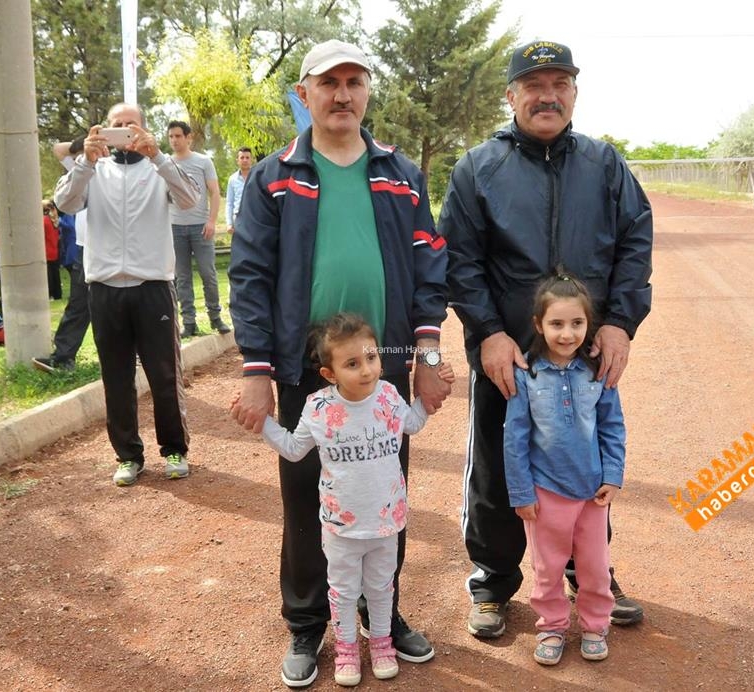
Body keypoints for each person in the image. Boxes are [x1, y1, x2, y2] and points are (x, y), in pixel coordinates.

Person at [228, 39, 450, 689]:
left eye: (355, 81)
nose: (343, 94)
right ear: (305, 94)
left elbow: (430, 267)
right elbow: (250, 276)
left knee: (384, 494)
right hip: (305, 368)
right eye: (329, 83)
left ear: (368, 91)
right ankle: (306, 624)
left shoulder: (400, 175)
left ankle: (380, 615)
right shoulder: (275, 177)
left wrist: (429, 356)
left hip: (384, 367)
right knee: (306, 498)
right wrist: (256, 369)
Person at [438, 39, 653, 638]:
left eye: (560, 84)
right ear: (511, 96)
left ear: (575, 94)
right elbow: (460, 258)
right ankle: (493, 579)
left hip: (583, 358)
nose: (547, 95)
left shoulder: (605, 164)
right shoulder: (478, 168)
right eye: (534, 85)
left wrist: (618, 323)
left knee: (584, 461)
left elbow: (636, 241)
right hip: (509, 356)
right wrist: (487, 333)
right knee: (498, 466)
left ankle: (591, 578)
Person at [261, 313, 455, 686]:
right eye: (352, 363)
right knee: (344, 590)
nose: (366, 370)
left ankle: (381, 642)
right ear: (329, 374)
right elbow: (292, 449)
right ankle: (347, 648)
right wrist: (262, 423)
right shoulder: (319, 408)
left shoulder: (387, 395)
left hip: (386, 522)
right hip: (341, 527)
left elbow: (411, 424)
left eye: (371, 358)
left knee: (383, 588)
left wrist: (432, 397)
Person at [54, 102, 198, 487]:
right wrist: (85, 160)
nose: (123, 132)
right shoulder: (93, 170)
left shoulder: (159, 169)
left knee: (164, 375)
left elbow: (190, 200)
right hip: (104, 289)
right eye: (116, 126)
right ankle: (128, 456)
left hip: (152, 287)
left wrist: (159, 157)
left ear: (144, 130)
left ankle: (174, 450)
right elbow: (65, 204)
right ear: (103, 132)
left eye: (130, 125)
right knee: (115, 378)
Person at [504, 270, 625, 665]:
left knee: (594, 567)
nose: (567, 333)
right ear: (539, 324)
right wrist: (522, 493)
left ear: (589, 325)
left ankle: (594, 625)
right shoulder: (527, 375)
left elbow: (612, 425)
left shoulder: (597, 372)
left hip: (592, 493)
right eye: (557, 323)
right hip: (545, 493)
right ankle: (553, 625)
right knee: (547, 568)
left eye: (577, 323)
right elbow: (515, 438)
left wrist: (612, 475)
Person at [166, 120, 231, 338]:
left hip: (200, 227)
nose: (174, 140)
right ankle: (189, 322)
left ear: (188, 137)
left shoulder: (203, 161)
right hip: (175, 227)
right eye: (171, 137)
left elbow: (214, 192)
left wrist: (211, 221)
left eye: (178, 136)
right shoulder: (166, 163)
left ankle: (215, 317)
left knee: (208, 274)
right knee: (182, 277)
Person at [33, 137, 92, 373]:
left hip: (114, 250)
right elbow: (58, 149)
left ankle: (136, 354)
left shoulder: (111, 169)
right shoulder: (81, 169)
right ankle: (63, 357)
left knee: (123, 304)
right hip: (84, 249)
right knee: (78, 305)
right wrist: (88, 144)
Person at [225, 147, 253, 234]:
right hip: (238, 220)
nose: (245, 160)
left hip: (255, 219)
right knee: (240, 247)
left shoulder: (258, 176)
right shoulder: (232, 179)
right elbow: (229, 203)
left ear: (251, 160)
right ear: (237, 160)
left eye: (247, 157)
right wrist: (229, 224)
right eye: (242, 157)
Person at [42, 200, 62, 300]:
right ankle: (58, 294)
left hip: (46, 250)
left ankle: (50, 294)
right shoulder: (54, 220)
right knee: (55, 273)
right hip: (54, 249)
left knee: (48, 275)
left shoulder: (44, 220)